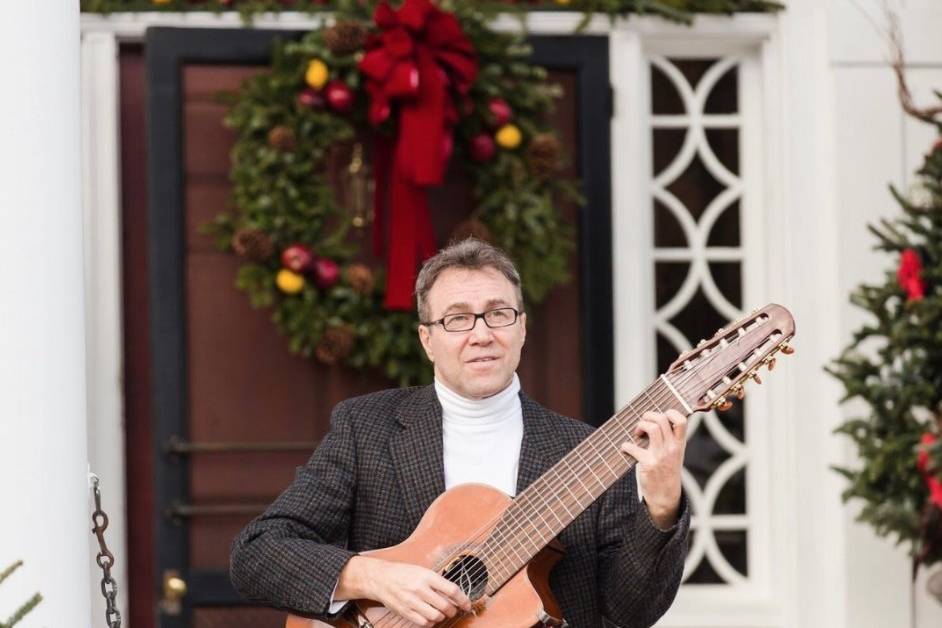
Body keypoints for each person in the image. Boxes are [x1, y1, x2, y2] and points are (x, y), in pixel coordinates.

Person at [230, 239, 691, 627]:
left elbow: (630, 614)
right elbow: (257, 554)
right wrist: (373, 578)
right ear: (427, 339)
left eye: (498, 314)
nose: (482, 333)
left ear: (522, 328)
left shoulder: (589, 453)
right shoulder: (365, 429)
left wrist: (662, 505)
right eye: (457, 318)